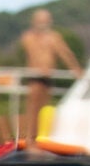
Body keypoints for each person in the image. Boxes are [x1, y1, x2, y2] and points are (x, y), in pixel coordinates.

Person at [15, 9, 81, 143]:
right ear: (34, 21)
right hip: (34, 77)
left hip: (47, 77)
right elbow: (30, 51)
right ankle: (29, 138)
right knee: (32, 107)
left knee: (44, 108)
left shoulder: (54, 37)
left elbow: (65, 54)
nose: (43, 23)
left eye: (46, 20)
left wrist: (75, 69)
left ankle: (40, 137)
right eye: (41, 20)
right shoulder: (29, 37)